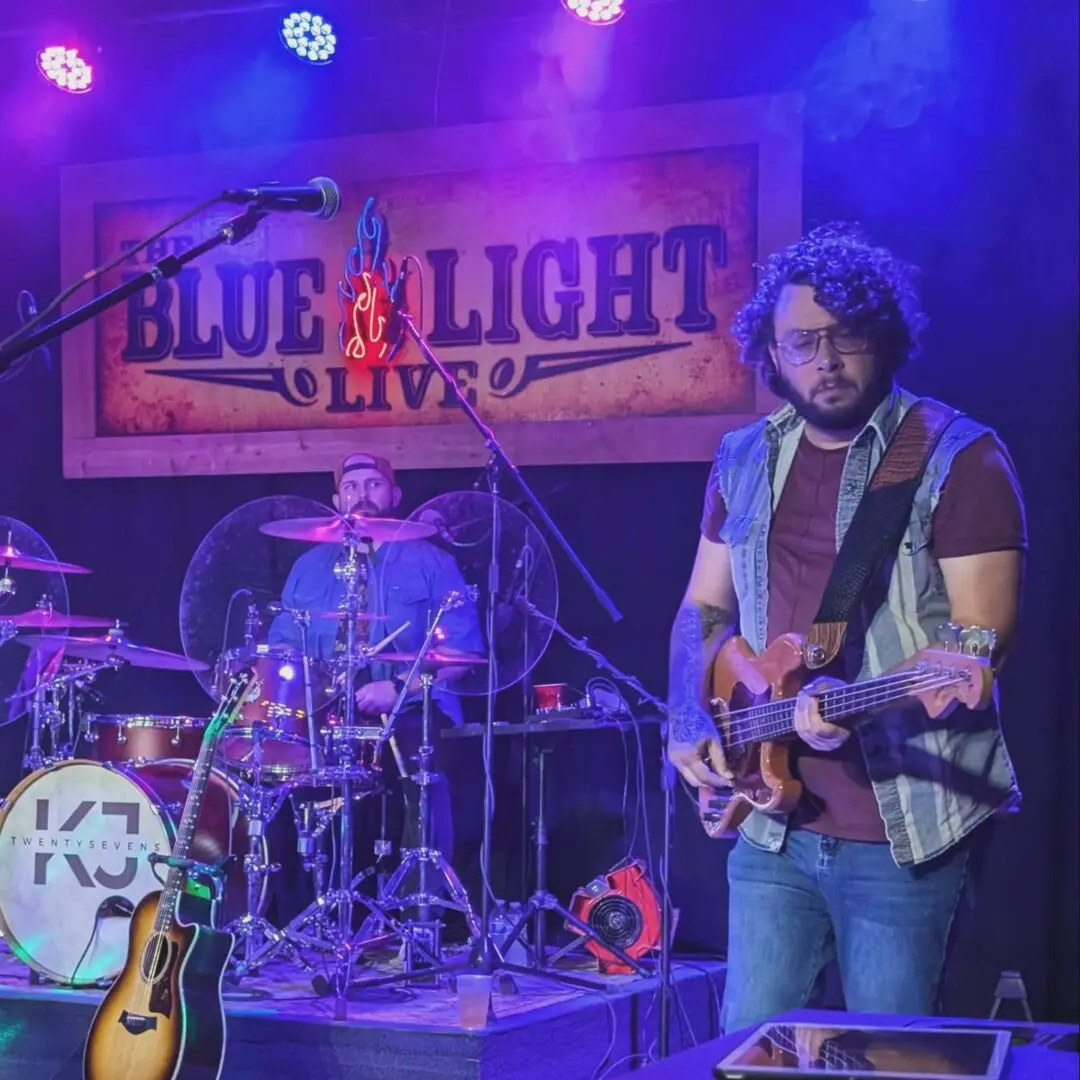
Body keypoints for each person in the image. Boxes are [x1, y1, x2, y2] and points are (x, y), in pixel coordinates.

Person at [666, 224, 1027, 1032]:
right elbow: (703, 606)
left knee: (894, 1058)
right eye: (801, 342)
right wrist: (689, 716)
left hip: (904, 832)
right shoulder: (742, 457)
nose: (825, 361)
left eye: (847, 337)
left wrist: (879, 695)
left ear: (886, 340)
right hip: (767, 822)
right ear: (772, 350)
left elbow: (980, 636)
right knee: (749, 1052)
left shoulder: (958, 457)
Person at [268, 451, 484, 874]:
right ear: (337, 499)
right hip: (326, 712)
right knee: (278, 762)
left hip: (413, 709)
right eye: (351, 487)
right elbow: (283, 649)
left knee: (424, 768)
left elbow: (462, 653)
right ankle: (309, 904)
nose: (361, 494)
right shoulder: (308, 567)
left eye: (373, 485)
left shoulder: (433, 563)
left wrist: (401, 687)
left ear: (394, 494)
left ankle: (419, 907)